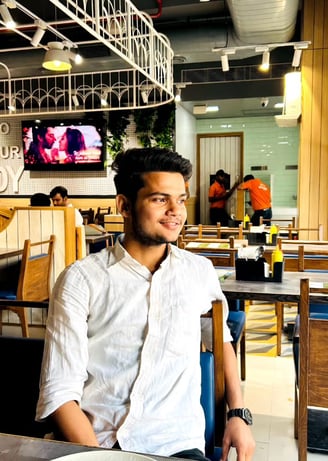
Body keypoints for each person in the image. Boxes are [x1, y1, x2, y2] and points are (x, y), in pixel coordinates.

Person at [37, 148, 255, 461]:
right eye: (159, 199)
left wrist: (238, 414)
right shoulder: (81, 280)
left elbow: (219, 341)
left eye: (180, 199)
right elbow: (59, 391)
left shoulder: (198, 272)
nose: (176, 211)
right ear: (124, 206)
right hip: (97, 444)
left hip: (176, 445)